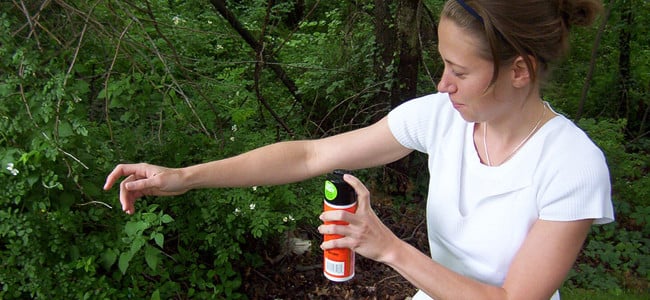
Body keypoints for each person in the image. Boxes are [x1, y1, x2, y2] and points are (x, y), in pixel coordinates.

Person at [104, 0, 615, 299]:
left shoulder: (572, 166)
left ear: (520, 71)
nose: (443, 85)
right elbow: (309, 155)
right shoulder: (442, 118)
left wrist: (389, 248)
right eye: (442, 64)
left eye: (459, 72)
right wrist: (183, 176)